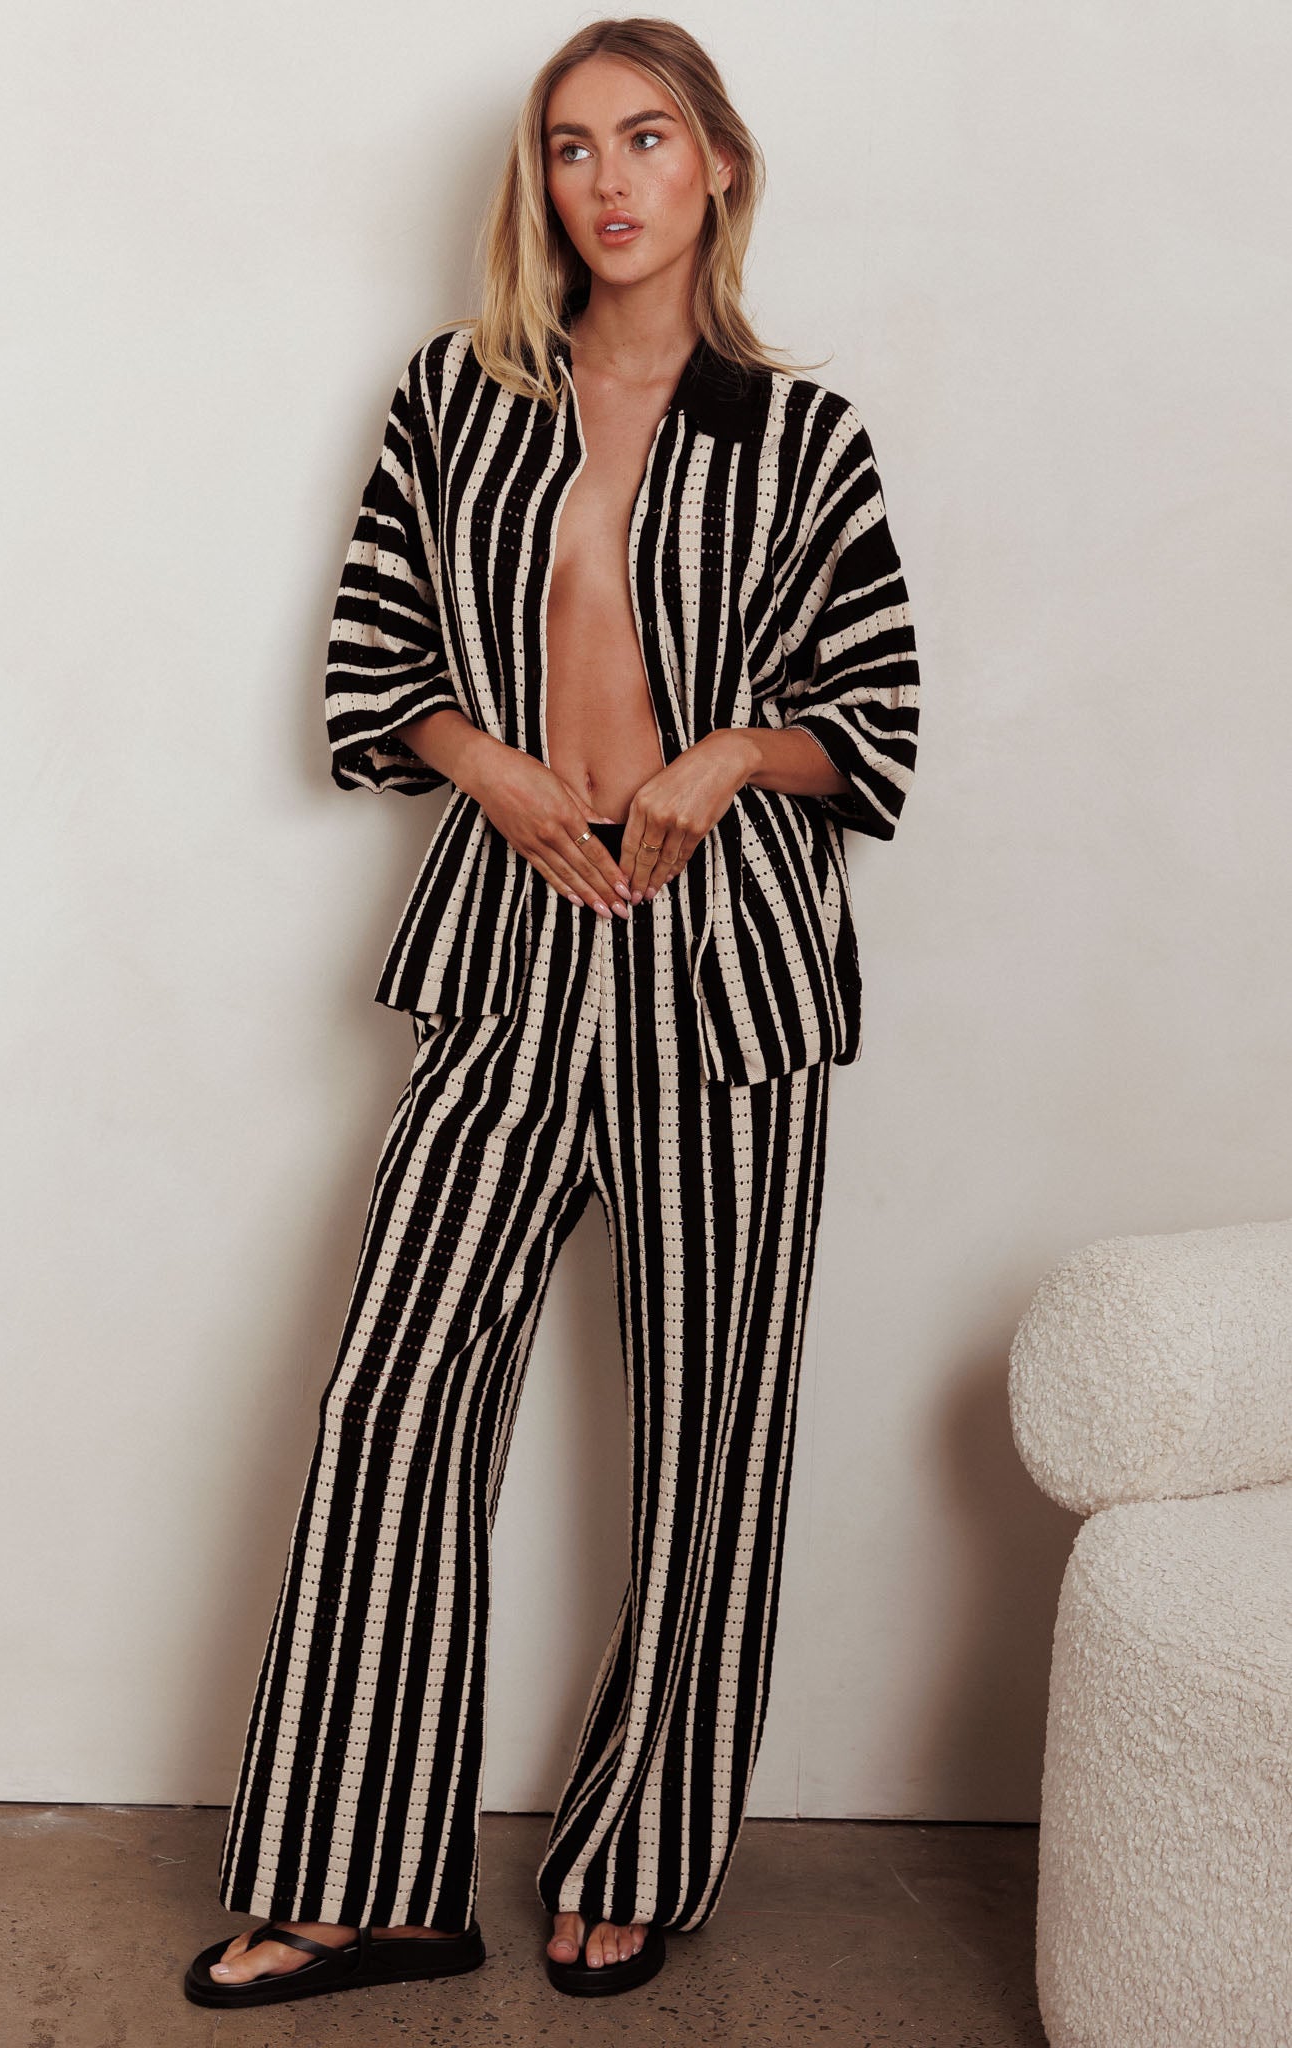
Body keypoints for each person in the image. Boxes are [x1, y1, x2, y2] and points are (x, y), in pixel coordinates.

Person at [183, 12, 919, 2013]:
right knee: (393, 1395)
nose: (608, 180)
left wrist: (728, 755)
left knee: (709, 1433)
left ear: (718, 166)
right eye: (573, 146)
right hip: (509, 948)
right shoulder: (459, 395)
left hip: (727, 974)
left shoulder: (801, 434)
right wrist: (490, 766)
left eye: (647, 138)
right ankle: (361, 1882)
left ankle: (636, 1857)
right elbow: (375, 658)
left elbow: (872, 717)